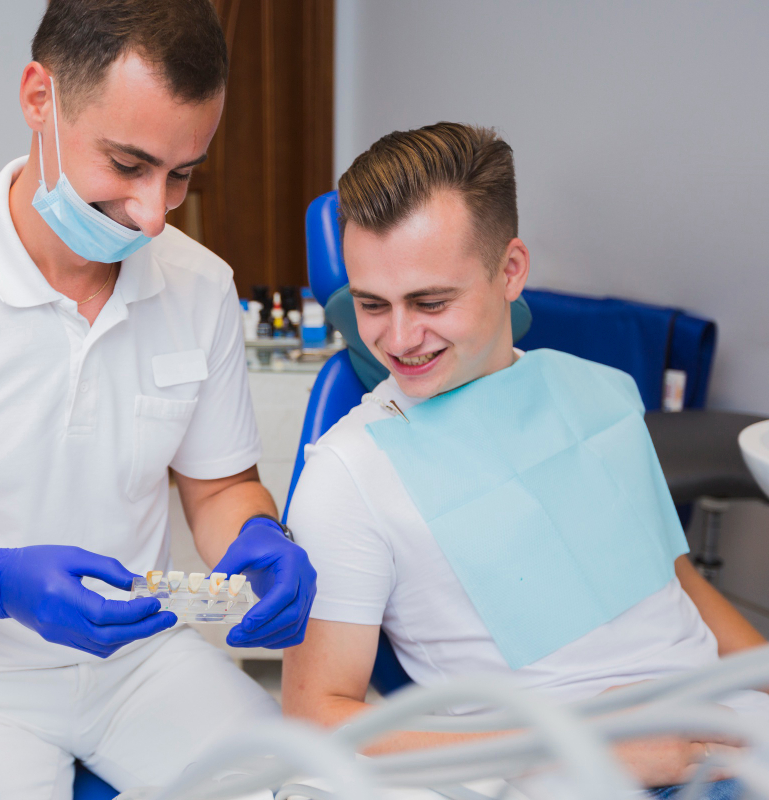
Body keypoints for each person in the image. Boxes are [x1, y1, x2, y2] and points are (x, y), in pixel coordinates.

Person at [0, 1, 315, 796]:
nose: (154, 214)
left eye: (182, 173)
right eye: (127, 163)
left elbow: (219, 486)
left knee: (297, 785)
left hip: (144, 657)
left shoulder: (201, 287)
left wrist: (260, 534)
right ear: (39, 98)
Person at [282, 122, 768, 795]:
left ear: (510, 270)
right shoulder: (349, 472)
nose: (398, 338)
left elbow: (677, 583)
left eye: (430, 301)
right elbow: (316, 718)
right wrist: (579, 748)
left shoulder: (596, 395)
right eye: (371, 304)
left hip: (731, 727)